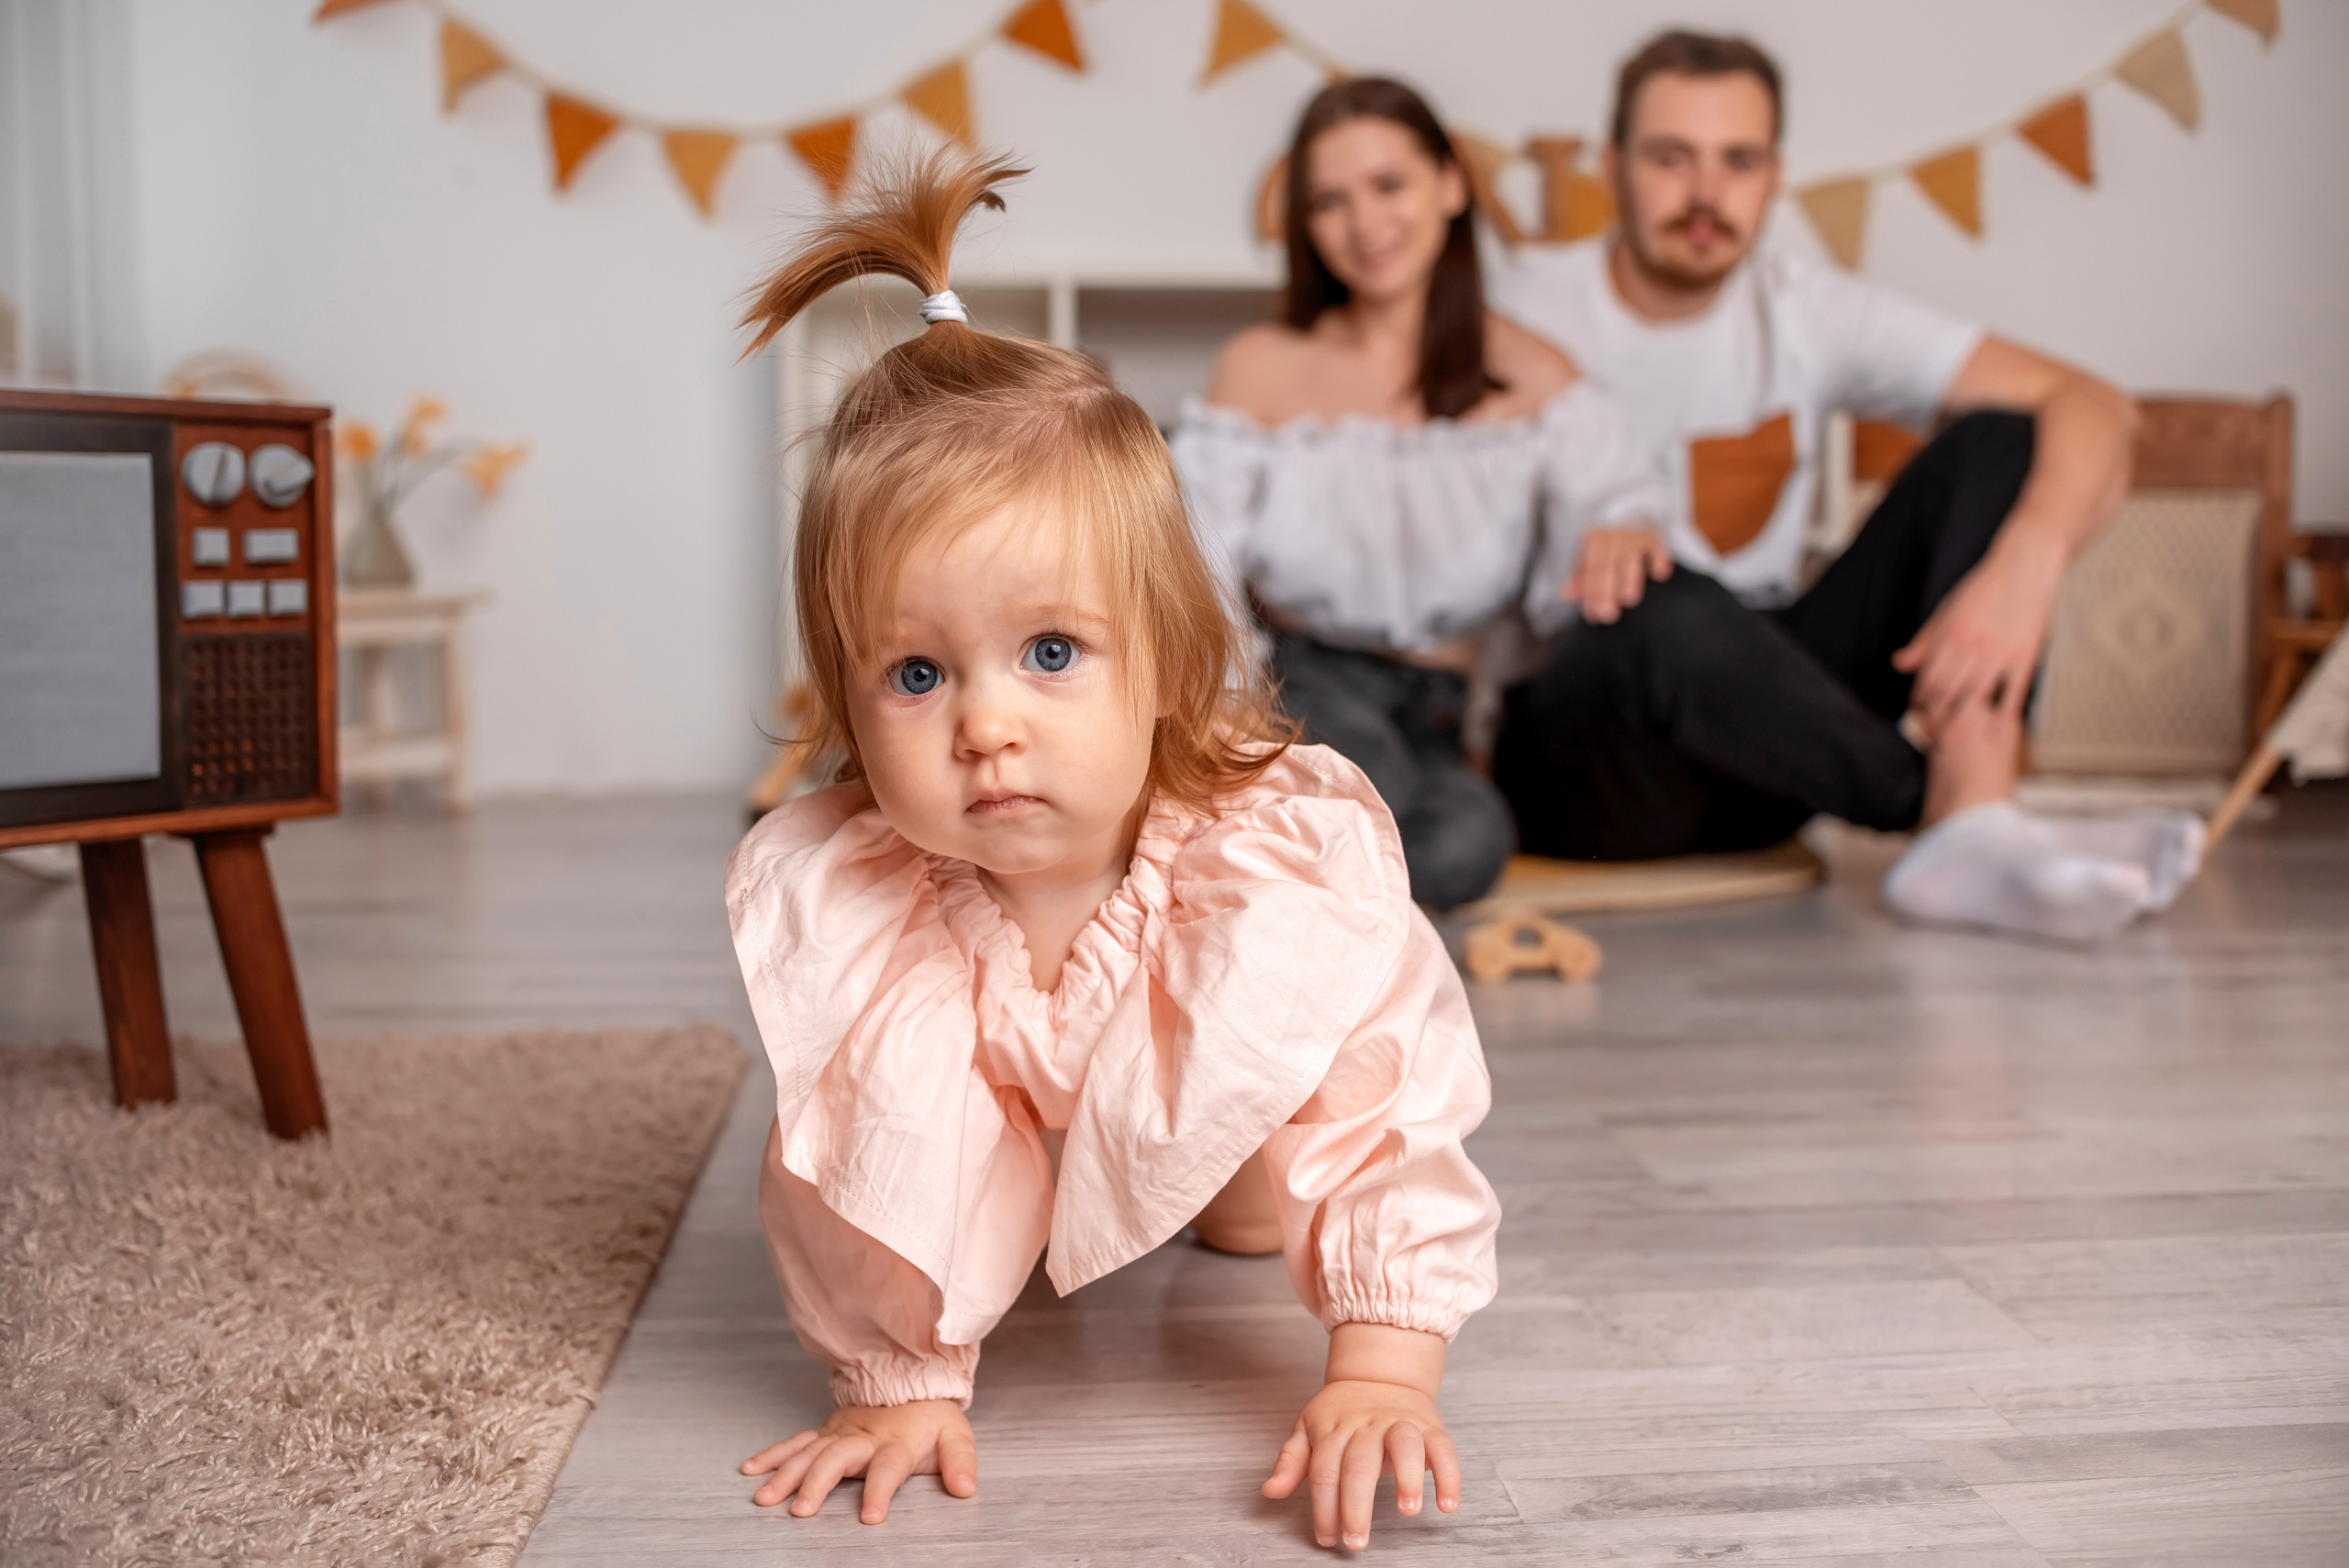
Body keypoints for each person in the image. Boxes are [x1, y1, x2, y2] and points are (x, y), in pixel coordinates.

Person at [724, 153, 1501, 1553]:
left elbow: (1388, 1100)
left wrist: (1384, 1364)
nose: (986, 727)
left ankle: (1219, 1182)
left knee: (1258, 1178)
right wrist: (898, 1379)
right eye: (916, 674)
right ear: (845, 699)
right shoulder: (871, 909)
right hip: (1030, 1105)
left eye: (1050, 652)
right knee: (934, 1146)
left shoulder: (1270, 883)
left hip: (1234, 1090)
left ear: (1165, 667)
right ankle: (1047, 1194)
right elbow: (856, 1154)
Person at [1489, 29, 2203, 940]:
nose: (1705, 194)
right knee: (1662, 605)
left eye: (1738, 161)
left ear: (1775, 177)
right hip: (1595, 756)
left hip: (1771, 750)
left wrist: (2024, 568)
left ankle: (1975, 809)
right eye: (1671, 158)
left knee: (2001, 439)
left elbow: (2098, 406)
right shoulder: (1514, 311)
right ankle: (1956, 819)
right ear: (1610, 166)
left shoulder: (1803, 310)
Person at [1173, 77, 1666, 910]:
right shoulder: (1259, 367)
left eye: (1389, 185)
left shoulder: (1532, 374)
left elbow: (1621, 501)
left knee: (1470, 839)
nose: (1365, 224)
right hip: (1304, 678)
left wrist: (1625, 524)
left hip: (1442, 705)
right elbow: (1193, 562)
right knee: (1356, 794)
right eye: (1330, 201)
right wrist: (1223, 711)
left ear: (1450, 185)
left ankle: (1306, 896)